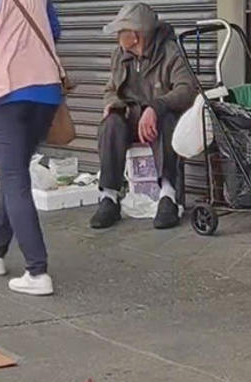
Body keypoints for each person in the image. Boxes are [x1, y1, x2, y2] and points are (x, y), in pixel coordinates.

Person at [0, 0, 63, 296]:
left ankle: (37, 270)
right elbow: (54, 30)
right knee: (13, 173)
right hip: (45, 93)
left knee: (15, 179)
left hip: (4, 93)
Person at [91, 3, 200, 230]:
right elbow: (110, 89)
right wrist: (112, 104)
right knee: (111, 123)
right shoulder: (119, 56)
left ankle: (168, 196)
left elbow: (187, 90)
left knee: (168, 120)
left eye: (121, 32)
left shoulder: (171, 53)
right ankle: (109, 197)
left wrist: (155, 107)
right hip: (131, 118)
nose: (117, 37)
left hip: (158, 120)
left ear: (136, 35)